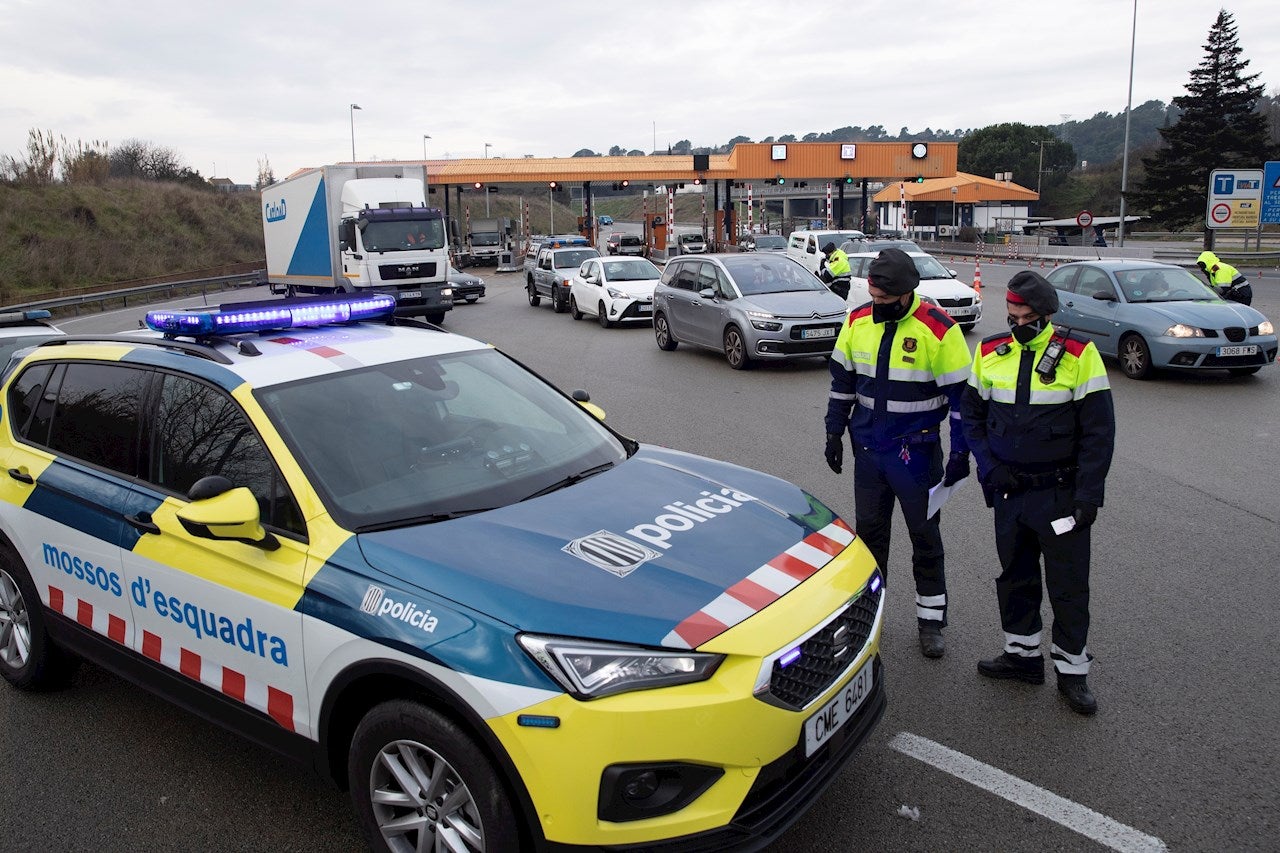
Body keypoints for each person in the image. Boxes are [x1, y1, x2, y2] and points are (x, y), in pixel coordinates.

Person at [960, 270, 1115, 715]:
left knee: (1067, 586)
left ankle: (1072, 672)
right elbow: (972, 418)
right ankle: (1022, 656)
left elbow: (1098, 433)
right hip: (1010, 494)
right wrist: (990, 469)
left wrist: (1089, 496)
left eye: (1027, 317)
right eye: (1012, 316)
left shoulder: (1079, 355)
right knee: (1015, 577)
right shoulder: (990, 351)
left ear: (1046, 316)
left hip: (1061, 495)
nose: (1018, 324)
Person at [823, 248, 973, 659]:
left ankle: (931, 621)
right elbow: (842, 383)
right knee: (869, 538)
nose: (879, 306)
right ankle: (872, 614)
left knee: (924, 537)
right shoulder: (857, 321)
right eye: (874, 298)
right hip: (868, 449)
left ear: (908, 294)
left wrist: (961, 453)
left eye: (886, 301)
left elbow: (961, 402)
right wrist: (834, 432)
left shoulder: (938, 330)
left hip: (916, 453)